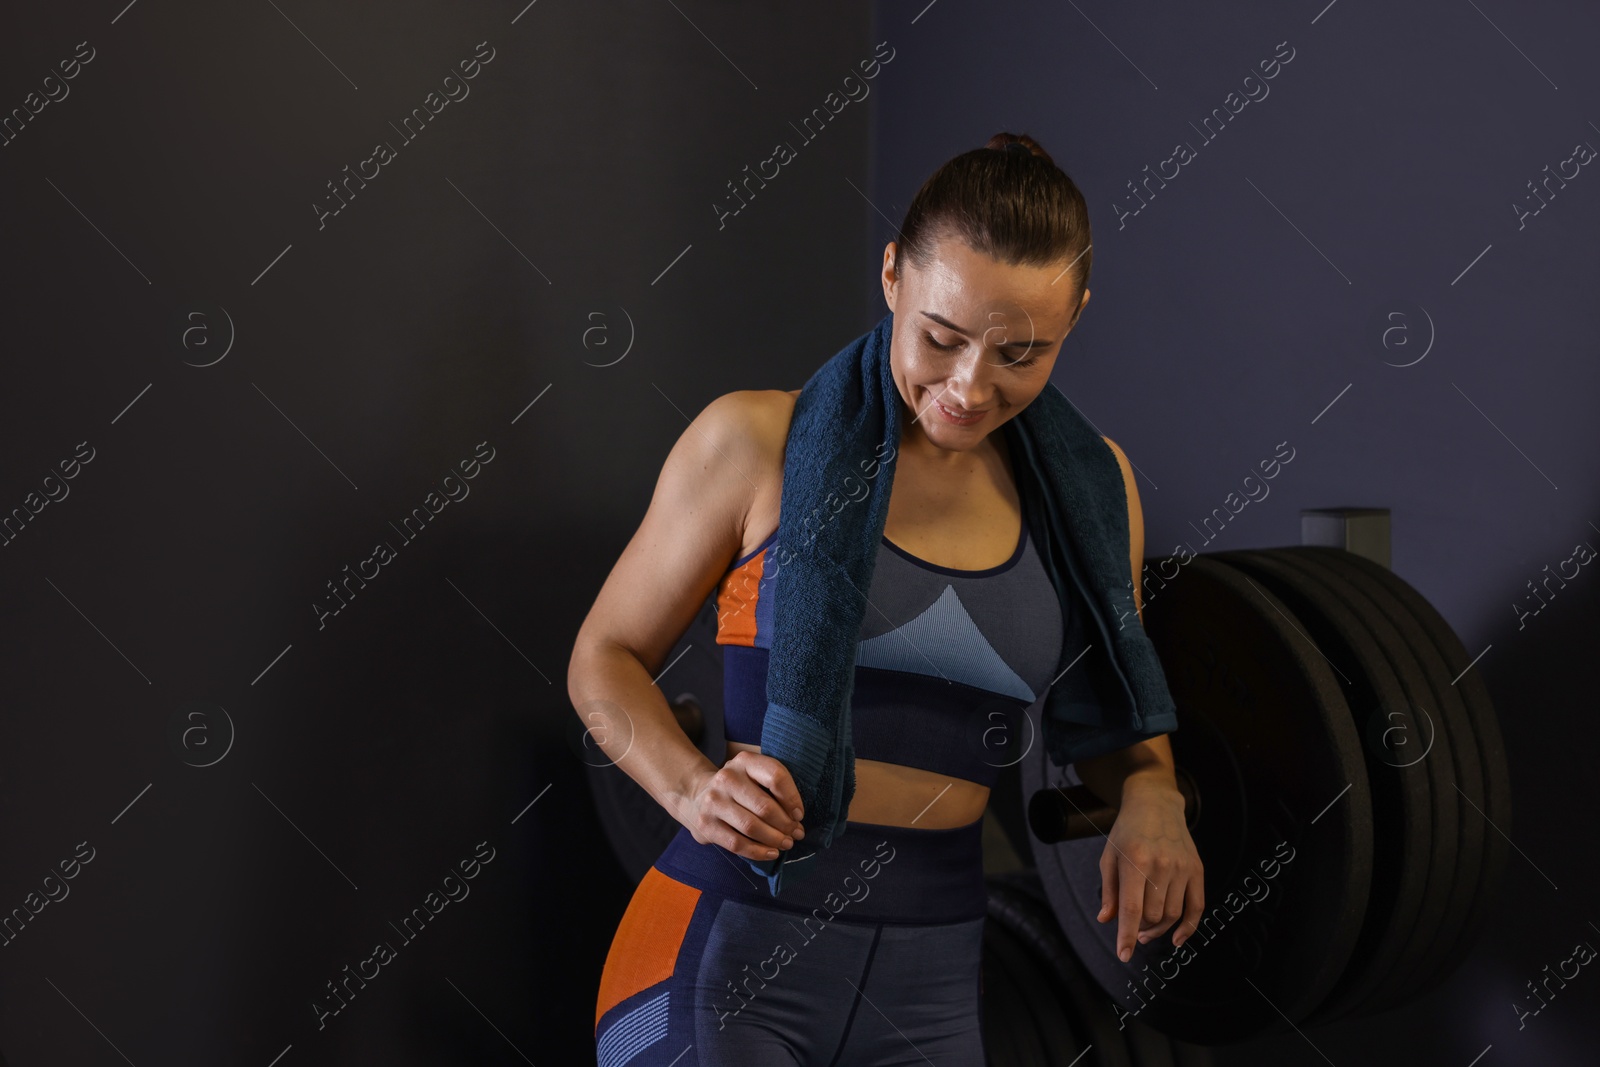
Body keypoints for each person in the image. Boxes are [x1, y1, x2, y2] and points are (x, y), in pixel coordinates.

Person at [569, 131, 1203, 1067]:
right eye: (941, 338)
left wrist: (1155, 794)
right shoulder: (754, 441)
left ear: (1074, 321)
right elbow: (602, 659)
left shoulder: (1095, 492)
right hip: (722, 948)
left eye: (1020, 355)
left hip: (934, 978)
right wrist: (692, 788)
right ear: (894, 276)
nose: (967, 386)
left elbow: (1118, 726)